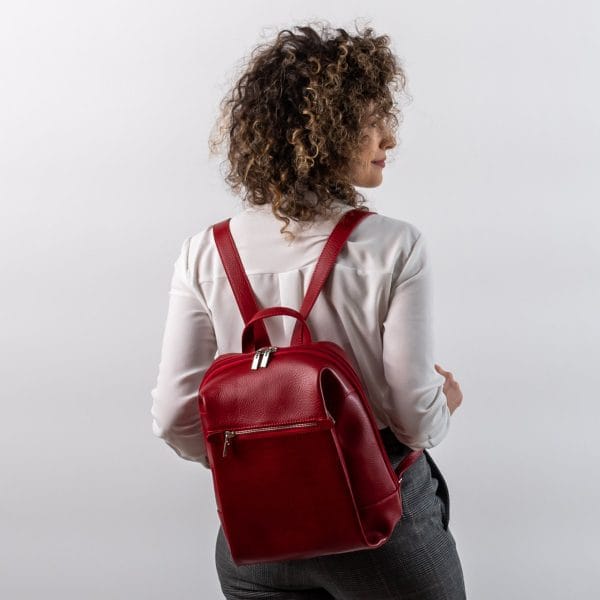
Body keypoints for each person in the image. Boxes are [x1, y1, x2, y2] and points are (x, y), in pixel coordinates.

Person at [150, 21, 466, 599]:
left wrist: (261, 459)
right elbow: (414, 418)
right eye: (372, 119)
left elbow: (175, 415)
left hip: (257, 537)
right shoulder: (395, 246)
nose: (390, 137)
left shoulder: (205, 253)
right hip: (382, 528)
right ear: (327, 129)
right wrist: (444, 402)